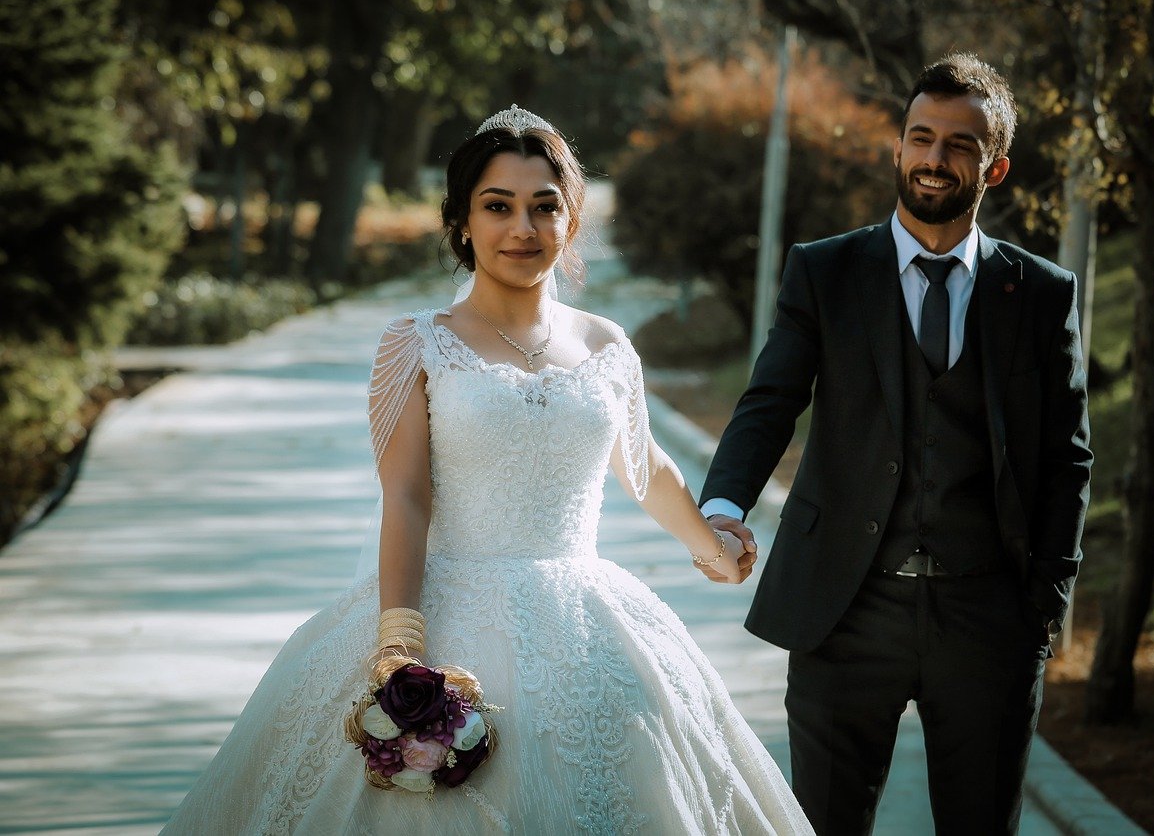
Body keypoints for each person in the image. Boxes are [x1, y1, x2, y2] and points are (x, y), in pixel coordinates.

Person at [159, 106, 811, 835]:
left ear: (570, 221)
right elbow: (406, 497)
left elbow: (645, 463)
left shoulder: (607, 344)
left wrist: (712, 547)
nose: (522, 229)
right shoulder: (417, 345)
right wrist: (399, 649)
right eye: (497, 207)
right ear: (463, 222)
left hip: (591, 623)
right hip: (447, 610)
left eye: (544, 207)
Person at [698, 54, 1092, 835]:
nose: (934, 158)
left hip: (987, 617)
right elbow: (770, 400)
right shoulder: (827, 271)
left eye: (959, 144)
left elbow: (1066, 457)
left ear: (996, 166)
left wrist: (1043, 604)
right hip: (845, 607)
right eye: (920, 137)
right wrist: (721, 504)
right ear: (898, 148)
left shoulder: (1040, 292)